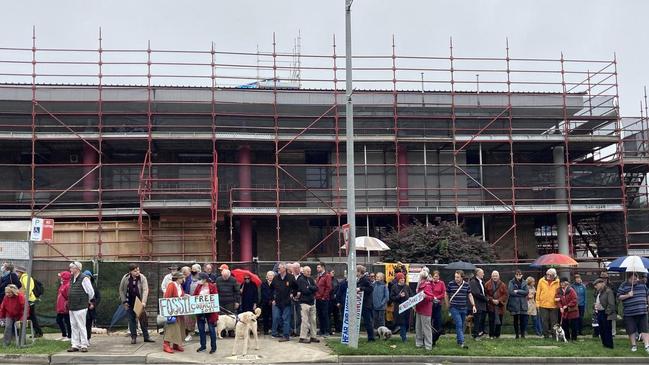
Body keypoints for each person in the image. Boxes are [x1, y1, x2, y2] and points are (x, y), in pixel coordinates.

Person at [119, 263, 153, 344]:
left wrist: (143, 302)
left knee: (143, 320)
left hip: (139, 302)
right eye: (135, 271)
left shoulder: (142, 278)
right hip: (129, 301)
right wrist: (124, 301)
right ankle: (133, 337)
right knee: (131, 320)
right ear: (130, 271)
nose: (137, 272)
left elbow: (145, 290)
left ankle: (146, 337)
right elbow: (121, 290)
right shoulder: (126, 278)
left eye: (138, 270)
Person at [616, 272, 649, 353]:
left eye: (636, 279)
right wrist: (628, 295)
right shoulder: (623, 285)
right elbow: (618, 297)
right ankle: (634, 345)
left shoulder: (642, 284)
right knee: (631, 330)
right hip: (629, 313)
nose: (634, 281)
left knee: (645, 329)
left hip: (642, 311)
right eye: (632, 279)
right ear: (628, 279)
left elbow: (647, 294)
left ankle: (647, 345)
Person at [67, 261, 95, 353]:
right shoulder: (72, 278)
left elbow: (90, 292)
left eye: (72, 267)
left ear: (77, 269)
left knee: (81, 325)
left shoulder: (84, 278)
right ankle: (75, 344)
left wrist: (85, 300)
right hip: (72, 306)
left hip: (81, 306)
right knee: (73, 325)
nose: (70, 269)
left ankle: (84, 344)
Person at [447, 270, 475, 349]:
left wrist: (473, 305)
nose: (456, 278)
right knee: (459, 324)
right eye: (455, 277)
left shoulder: (466, 285)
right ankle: (462, 342)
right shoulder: (451, 284)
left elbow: (470, 295)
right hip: (454, 307)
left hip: (463, 307)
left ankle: (459, 340)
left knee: (462, 325)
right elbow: (446, 293)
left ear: (462, 277)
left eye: (458, 277)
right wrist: (447, 303)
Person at [193, 272, 218, 354]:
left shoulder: (212, 286)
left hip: (210, 311)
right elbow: (194, 296)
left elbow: (214, 298)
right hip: (200, 311)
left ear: (205, 279)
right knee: (201, 329)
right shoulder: (199, 286)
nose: (198, 281)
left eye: (200, 279)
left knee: (211, 329)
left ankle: (213, 347)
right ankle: (203, 346)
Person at [15, 265, 43, 338]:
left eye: (17, 272)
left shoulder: (25, 278)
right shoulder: (23, 278)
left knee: (31, 316)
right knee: (31, 316)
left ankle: (38, 332)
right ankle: (38, 332)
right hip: (27, 299)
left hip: (29, 300)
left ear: (21, 272)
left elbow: (29, 289)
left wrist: (25, 297)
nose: (16, 273)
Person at [162, 271, 186, 354]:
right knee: (171, 327)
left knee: (179, 327)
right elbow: (167, 297)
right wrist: (168, 312)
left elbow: (181, 296)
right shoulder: (171, 285)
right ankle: (166, 344)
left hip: (179, 310)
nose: (183, 279)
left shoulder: (179, 286)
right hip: (172, 311)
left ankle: (176, 344)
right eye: (182, 278)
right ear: (178, 278)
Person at [272, 263, 297, 342]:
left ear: (284, 269)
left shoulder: (290, 277)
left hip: (287, 302)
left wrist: (293, 294)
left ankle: (286, 336)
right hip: (278, 302)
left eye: (279, 268)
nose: (278, 270)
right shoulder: (276, 278)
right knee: (277, 317)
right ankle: (284, 331)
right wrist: (273, 298)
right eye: (278, 268)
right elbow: (271, 288)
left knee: (286, 319)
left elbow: (296, 287)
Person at [296, 266, 319, 344]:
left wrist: (310, 287)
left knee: (313, 320)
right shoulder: (300, 279)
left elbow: (316, 288)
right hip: (304, 303)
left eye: (310, 271)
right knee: (305, 321)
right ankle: (303, 337)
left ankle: (313, 336)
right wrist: (311, 289)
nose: (309, 273)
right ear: (303, 272)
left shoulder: (310, 279)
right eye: (307, 271)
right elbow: (304, 290)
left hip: (312, 302)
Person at [215, 268, 241, 337]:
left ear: (229, 275)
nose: (225, 278)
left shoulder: (233, 280)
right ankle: (222, 332)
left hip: (230, 301)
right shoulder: (218, 280)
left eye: (226, 276)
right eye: (224, 276)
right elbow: (215, 291)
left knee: (231, 316)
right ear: (221, 274)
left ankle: (231, 331)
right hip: (220, 301)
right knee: (221, 318)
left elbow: (237, 292)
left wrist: (237, 302)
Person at [536, 268, 560, 339]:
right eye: (547, 274)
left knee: (554, 322)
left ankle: (554, 336)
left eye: (550, 275)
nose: (548, 276)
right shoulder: (541, 281)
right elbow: (538, 292)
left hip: (554, 305)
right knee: (544, 321)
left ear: (554, 275)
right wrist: (537, 303)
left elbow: (560, 293)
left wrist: (559, 300)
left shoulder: (558, 282)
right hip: (543, 305)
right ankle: (546, 336)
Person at [414, 268, 434, 350]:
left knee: (426, 328)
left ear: (422, 278)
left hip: (425, 310)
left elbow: (431, 297)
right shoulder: (420, 286)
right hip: (419, 309)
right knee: (418, 327)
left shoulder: (427, 286)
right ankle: (419, 343)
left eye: (420, 277)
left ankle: (428, 345)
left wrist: (425, 296)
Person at [485, 270, 508, 339]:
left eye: (496, 276)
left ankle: (497, 335)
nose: (495, 277)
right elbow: (485, 294)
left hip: (500, 306)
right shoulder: (487, 284)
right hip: (491, 305)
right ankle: (491, 335)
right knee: (491, 320)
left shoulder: (503, 284)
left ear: (499, 276)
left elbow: (505, 295)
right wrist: (492, 300)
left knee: (499, 321)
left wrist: (499, 300)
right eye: (493, 276)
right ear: (491, 276)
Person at [593, 278, 615, 349]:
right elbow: (597, 302)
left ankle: (609, 345)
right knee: (601, 329)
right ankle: (604, 344)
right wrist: (595, 306)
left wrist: (606, 312)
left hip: (606, 313)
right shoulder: (598, 292)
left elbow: (611, 304)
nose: (595, 287)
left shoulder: (608, 291)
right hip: (599, 312)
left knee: (607, 330)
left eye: (596, 285)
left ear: (601, 283)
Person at [389, 272, 411, 342]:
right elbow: (392, 298)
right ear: (398, 279)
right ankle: (404, 338)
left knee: (406, 323)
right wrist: (399, 296)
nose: (403, 280)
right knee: (402, 323)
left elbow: (411, 294)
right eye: (401, 279)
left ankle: (402, 333)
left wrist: (410, 298)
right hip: (399, 308)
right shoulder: (394, 287)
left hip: (407, 307)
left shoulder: (407, 286)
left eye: (403, 278)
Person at [507, 269, 528, 339]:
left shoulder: (525, 282)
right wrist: (521, 294)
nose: (518, 276)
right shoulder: (511, 282)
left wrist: (518, 291)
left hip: (523, 304)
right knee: (515, 319)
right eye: (517, 274)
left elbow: (526, 292)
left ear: (522, 275)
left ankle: (522, 334)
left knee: (523, 320)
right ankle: (517, 335)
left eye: (519, 274)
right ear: (515, 275)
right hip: (514, 304)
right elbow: (511, 292)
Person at [556, 277, 579, 341]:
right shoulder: (558, 290)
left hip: (572, 311)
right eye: (561, 282)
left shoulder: (571, 290)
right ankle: (566, 338)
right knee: (564, 325)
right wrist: (560, 307)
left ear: (566, 283)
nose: (562, 284)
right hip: (564, 311)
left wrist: (567, 305)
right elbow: (558, 300)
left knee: (573, 325)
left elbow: (574, 300)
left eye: (563, 282)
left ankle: (574, 339)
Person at [357, 265, 375, 342]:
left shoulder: (365, 279)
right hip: (361, 302)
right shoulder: (360, 279)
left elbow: (371, 288)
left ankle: (371, 338)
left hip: (366, 303)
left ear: (359, 271)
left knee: (368, 321)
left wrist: (360, 289)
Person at [469, 268, 488, 340]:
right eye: (482, 273)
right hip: (477, 304)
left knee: (481, 320)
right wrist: (486, 298)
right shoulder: (473, 282)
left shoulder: (482, 281)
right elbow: (476, 293)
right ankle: (475, 335)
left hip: (483, 304)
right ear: (477, 273)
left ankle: (480, 333)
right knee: (477, 320)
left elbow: (483, 292)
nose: (483, 274)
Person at [315, 263, 332, 337]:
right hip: (318, 298)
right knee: (320, 315)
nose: (317, 269)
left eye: (318, 267)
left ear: (323, 267)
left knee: (325, 315)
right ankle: (322, 330)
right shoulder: (319, 276)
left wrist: (324, 297)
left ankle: (327, 330)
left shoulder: (327, 276)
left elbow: (328, 287)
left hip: (323, 299)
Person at [429, 270, 446, 345]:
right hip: (430, 303)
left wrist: (437, 297)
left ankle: (436, 335)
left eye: (437, 276)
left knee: (437, 319)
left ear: (439, 277)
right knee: (429, 319)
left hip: (438, 303)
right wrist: (432, 297)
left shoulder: (441, 283)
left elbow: (443, 293)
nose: (435, 278)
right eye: (434, 276)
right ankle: (429, 335)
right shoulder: (430, 283)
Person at [84, 270, 100, 341]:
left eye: (88, 277)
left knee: (88, 324)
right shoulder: (81, 286)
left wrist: (93, 304)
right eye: (85, 277)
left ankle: (88, 338)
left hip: (90, 309)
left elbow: (98, 297)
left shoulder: (94, 287)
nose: (87, 278)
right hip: (82, 308)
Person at [56, 271, 72, 341]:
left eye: (61, 277)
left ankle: (70, 336)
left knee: (67, 321)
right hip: (60, 307)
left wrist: (66, 305)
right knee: (59, 320)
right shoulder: (62, 285)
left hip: (66, 307)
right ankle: (64, 335)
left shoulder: (68, 285)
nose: (60, 278)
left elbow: (68, 297)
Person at [260, 271, 275, 335]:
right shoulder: (263, 284)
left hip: (273, 302)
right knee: (265, 316)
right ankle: (266, 330)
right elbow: (263, 293)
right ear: (267, 276)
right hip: (265, 302)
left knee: (273, 316)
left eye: (272, 275)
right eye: (269, 275)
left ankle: (272, 329)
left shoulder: (275, 284)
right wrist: (268, 300)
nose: (270, 277)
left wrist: (272, 300)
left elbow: (275, 292)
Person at [329, 269, 341, 334]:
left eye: (334, 272)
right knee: (329, 315)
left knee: (336, 315)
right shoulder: (328, 279)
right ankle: (329, 329)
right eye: (332, 272)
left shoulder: (335, 280)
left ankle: (338, 328)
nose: (333, 273)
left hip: (335, 300)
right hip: (329, 299)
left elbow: (338, 287)